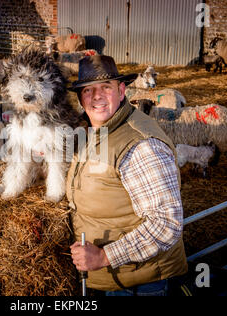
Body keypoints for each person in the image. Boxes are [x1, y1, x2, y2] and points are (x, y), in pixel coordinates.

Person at [67, 55, 188, 296]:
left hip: (140, 283)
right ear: (81, 98)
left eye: (106, 87)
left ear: (122, 91)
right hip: (111, 277)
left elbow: (166, 223)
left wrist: (104, 256)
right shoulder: (95, 131)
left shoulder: (140, 145)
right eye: (88, 90)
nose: (97, 96)